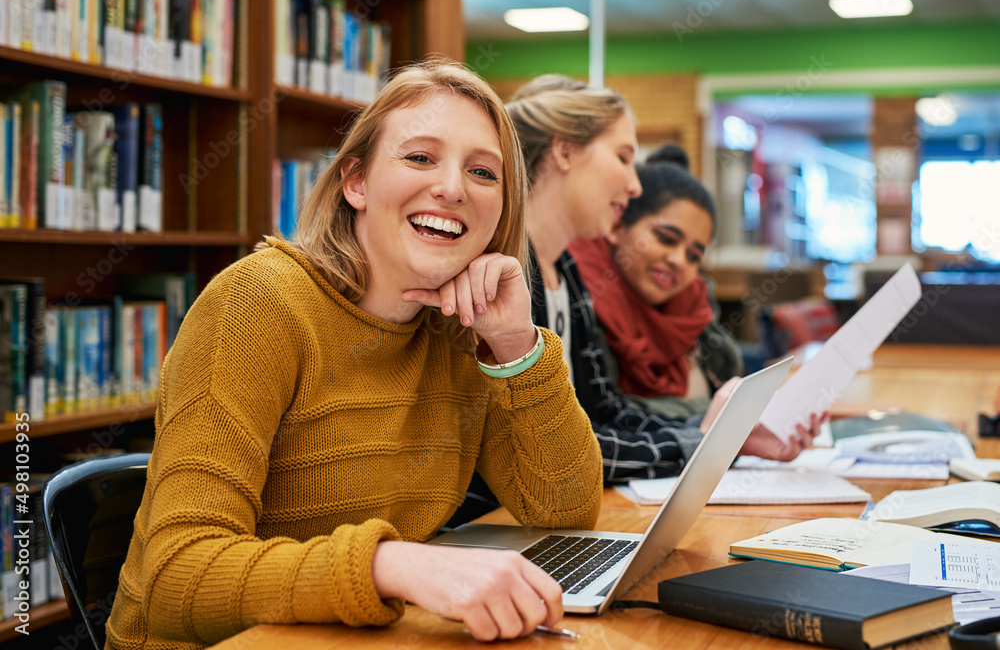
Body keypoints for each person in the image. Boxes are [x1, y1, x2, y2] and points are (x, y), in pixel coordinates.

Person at [104, 60, 603, 649]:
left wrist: (517, 346)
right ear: (356, 183)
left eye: (482, 172)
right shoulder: (256, 304)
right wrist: (395, 566)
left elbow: (563, 512)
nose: (452, 187)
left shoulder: (458, 334)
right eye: (419, 158)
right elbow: (175, 579)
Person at [505, 75, 821, 482]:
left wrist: (724, 436)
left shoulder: (564, 271)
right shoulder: (510, 274)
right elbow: (556, 455)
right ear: (564, 150)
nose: (634, 183)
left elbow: (601, 418)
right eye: (622, 157)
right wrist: (705, 440)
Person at [568, 145, 741, 419]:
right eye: (666, 238)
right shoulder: (576, 295)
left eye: (694, 255)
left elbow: (733, 386)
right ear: (616, 226)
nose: (678, 261)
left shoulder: (695, 308)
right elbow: (597, 420)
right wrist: (711, 416)